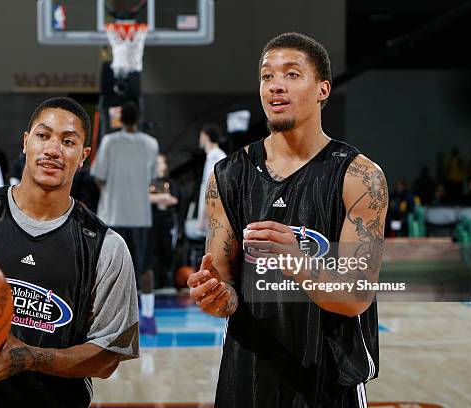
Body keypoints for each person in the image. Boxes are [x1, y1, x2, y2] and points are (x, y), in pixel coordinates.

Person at [187, 32, 387, 407]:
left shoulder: (359, 177)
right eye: (267, 76)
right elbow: (226, 289)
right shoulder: (228, 176)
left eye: (292, 74)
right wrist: (216, 298)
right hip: (246, 373)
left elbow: (357, 295)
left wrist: (296, 261)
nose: (275, 85)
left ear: (323, 89)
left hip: (328, 378)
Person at [0, 97, 139, 407]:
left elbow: (107, 357)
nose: (52, 150)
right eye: (43, 135)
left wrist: (30, 358)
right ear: (25, 142)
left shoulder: (105, 247)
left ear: (84, 156)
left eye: (68, 141)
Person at [91, 101, 159, 333]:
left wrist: (109, 192)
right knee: (145, 268)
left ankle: (108, 319)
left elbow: (98, 176)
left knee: (108, 269)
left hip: (113, 214)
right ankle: (148, 317)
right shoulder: (151, 144)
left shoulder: (109, 141)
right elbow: (152, 178)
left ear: (121, 119)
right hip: (141, 215)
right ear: (138, 119)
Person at [149, 154, 180, 288]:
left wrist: (160, 198)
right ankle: (155, 281)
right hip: (153, 220)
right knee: (153, 249)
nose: (158, 165)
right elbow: (147, 198)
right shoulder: (151, 181)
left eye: (160, 163)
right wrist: (163, 197)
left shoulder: (171, 182)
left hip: (167, 220)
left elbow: (174, 199)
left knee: (167, 249)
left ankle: (167, 280)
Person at [196, 125, 226, 233]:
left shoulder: (216, 157)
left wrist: (204, 216)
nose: (199, 140)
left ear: (205, 137)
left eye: (200, 136)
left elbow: (212, 188)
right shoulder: (212, 157)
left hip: (213, 212)